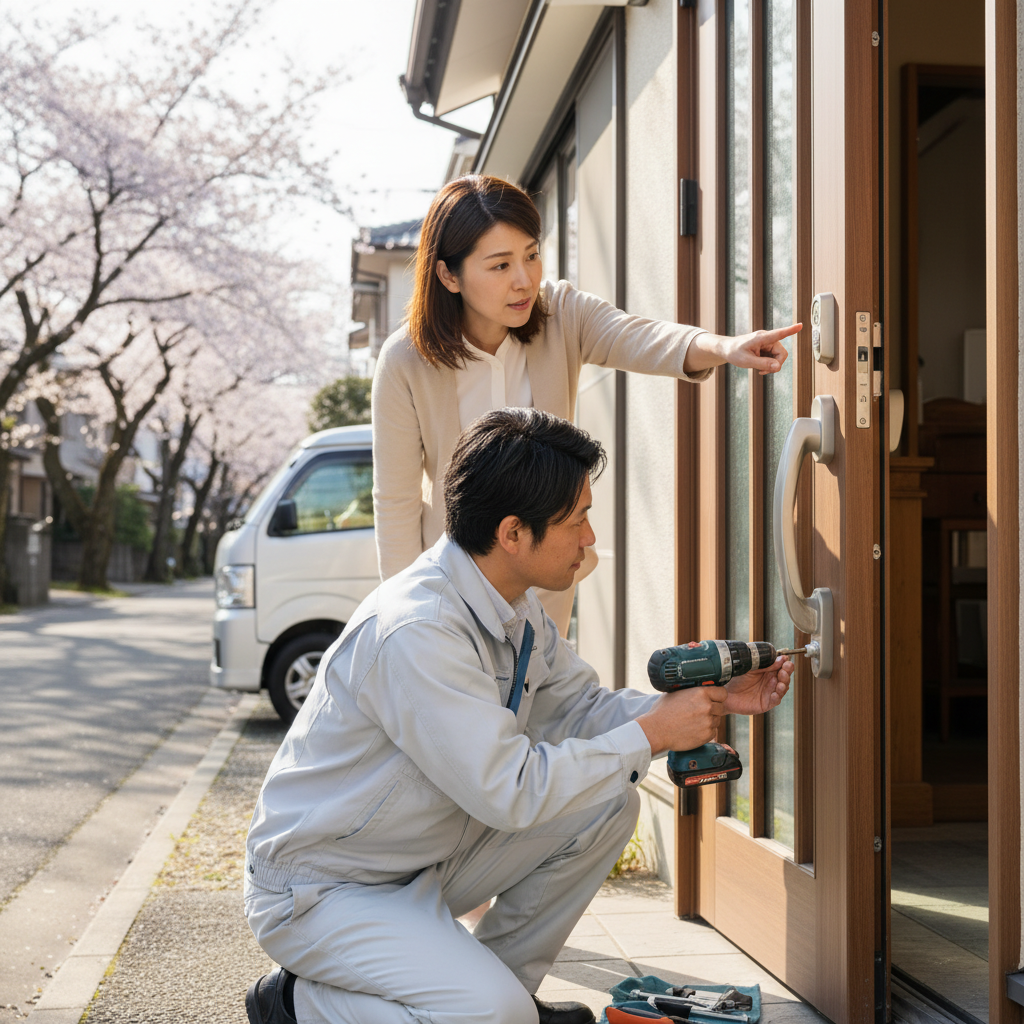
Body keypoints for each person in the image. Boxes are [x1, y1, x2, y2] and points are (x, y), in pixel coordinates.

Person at [244, 408, 794, 1024]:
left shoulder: (515, 609)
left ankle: (505, 993)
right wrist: (654, 732)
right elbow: (509, 790)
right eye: (579, 519)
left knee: (606, 802)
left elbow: (586, 711)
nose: (589, 538)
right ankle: (296, 1002)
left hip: (420, 860)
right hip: (326, 888)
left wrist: (709, 699)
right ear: (512, 533)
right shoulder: (417, 631)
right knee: (491, 1016)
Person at [371, 174, 800, 634]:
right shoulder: (405, 361)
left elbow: (635, 334)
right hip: (451, 591)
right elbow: (395, 503)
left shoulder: (561, 314)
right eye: (500, 266)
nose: (524, 280)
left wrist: (723, 347)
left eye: (531, 256)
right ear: (448, 275)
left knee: (537, 699)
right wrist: (406, 619)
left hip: (544, 577)